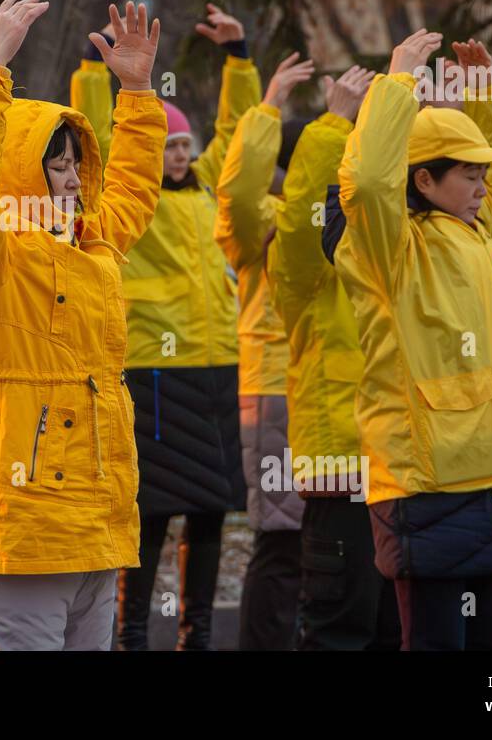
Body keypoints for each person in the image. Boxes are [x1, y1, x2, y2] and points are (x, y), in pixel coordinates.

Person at [0, 0, 167, 650]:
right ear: (19, 173)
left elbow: (133, 187)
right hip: (22, 530)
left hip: (99, 524)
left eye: (75, 164)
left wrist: (138, 93)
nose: (70, 180)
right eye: (54, 164)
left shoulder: (95, 242)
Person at [334, 31, 492, 651]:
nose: (483, 188)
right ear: (422, 180)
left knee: (485, 648)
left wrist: (486, 95)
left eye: (481, 175)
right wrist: (398, 82)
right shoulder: (390, 249)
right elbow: (367, 183)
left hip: (487, 479)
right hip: (424, 484)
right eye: (468, 176)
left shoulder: (476, 233)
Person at [74, 3, 257, 651]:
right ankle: (130, 635)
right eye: (169, 146)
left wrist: (239, 61)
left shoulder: (211, 191)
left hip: (215, 370)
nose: (177, 156)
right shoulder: (130, 197)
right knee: (151, 514)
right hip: (154, 368)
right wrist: (100, 73)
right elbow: (97, 135)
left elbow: (243, 134)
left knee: (209, 513)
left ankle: (197, 635)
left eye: (184, 146)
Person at [266, 63, 401, 650]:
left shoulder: (385, 255)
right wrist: (334, 124)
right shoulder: (308, 274)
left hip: (402, 467)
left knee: (397, 631)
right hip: (341, 470)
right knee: (341, 629)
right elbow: (299, 221)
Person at [214, 50, 316, 650]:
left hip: (332, 393)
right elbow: (236, 190)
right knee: (281, 540)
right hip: (276, 394)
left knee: (331, 542)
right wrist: (269, 103)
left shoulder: (338, 217)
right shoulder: (260, 225)